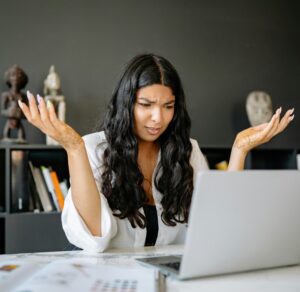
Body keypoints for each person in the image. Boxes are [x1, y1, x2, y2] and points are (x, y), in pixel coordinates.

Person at [18, 54, 294, 252]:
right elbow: (95, 237)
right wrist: (74, 148)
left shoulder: (188, 152)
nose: (157, 118)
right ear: (127, 103)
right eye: (146, 104)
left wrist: (239, 150)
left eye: (168, 106)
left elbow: (219, 230)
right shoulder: (93, 148)